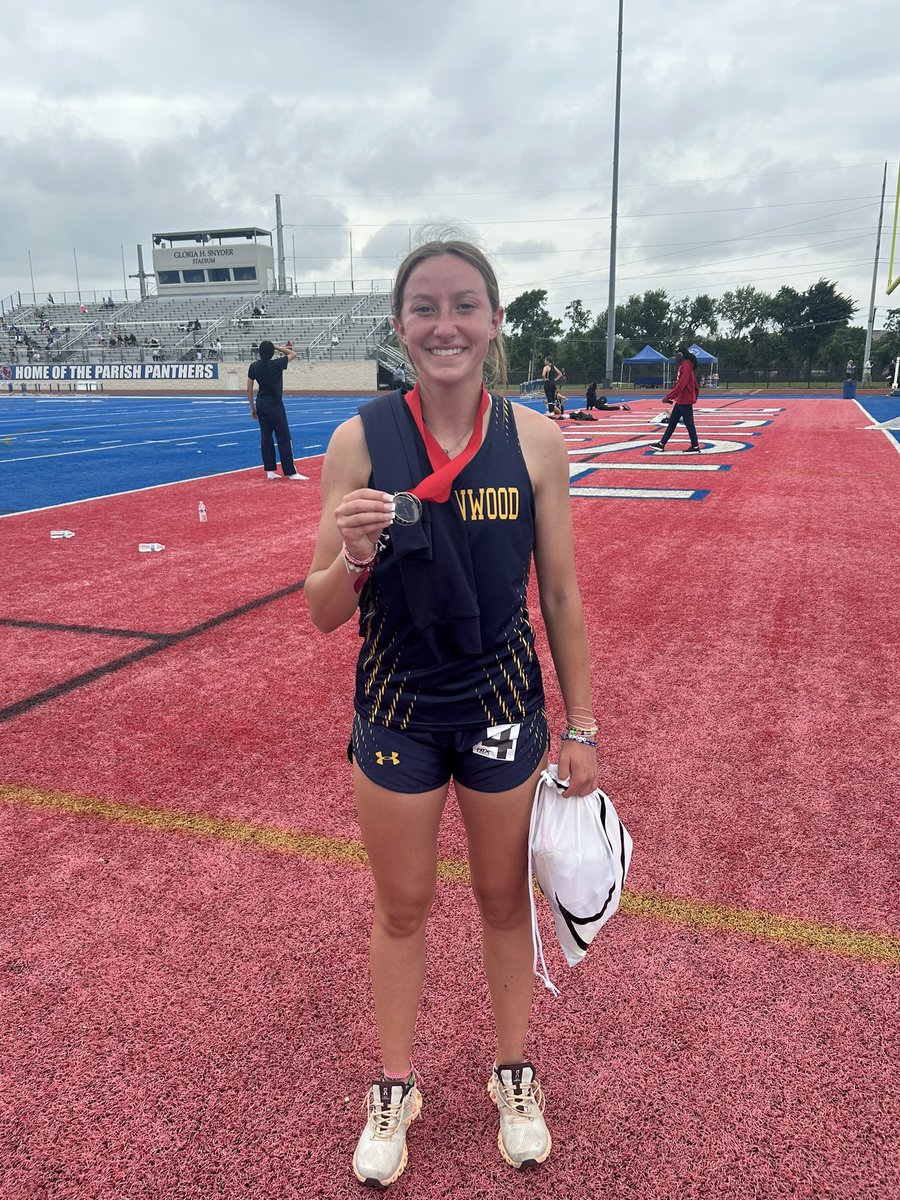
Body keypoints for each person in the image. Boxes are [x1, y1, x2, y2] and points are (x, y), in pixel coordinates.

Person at [304, 238, 598, 1186]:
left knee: (505, 898)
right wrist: (351, 554)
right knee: (403, 904)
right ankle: (395, 1084)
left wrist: (583, 726)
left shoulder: (535, 439)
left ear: (494, 322)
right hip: (396, 702)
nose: (445, 325)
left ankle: (514, 1071)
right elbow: (319, 610)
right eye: (425, 307)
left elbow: (558, 595)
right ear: (400, 326)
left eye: (464, 305)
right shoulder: (360, 441)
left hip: (504, 700)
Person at [246, 340, 307, 480]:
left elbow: (249, 388)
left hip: (261, 403)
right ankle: (291, 472)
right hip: (275, 404)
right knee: (284, 437)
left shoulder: (253, 366)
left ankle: (270, 471)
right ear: (272, 352)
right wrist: (278, 347)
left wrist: (252, 408)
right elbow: (293, 353)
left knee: (266, 437)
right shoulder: (277, 364)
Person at [650, 346, 701, 453]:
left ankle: (695, 446)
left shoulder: (685, 366)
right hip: (682, 399)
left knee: (688, 424)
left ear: (681, 355)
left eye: (676, 355)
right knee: (672, 422)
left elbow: (682, 384)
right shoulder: (684, 365)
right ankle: (662, 444)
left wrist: (669, 396)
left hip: (685, 399)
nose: (674, 357)